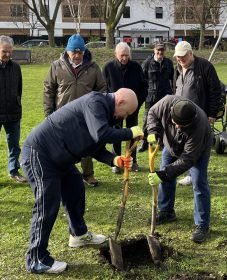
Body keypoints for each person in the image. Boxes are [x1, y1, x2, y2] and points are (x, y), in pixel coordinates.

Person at [21, 88, 143, 274]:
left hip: (61, 158)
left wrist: (113, 159)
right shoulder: (95, 103)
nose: (123, 117)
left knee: (75, 188)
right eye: (126, 113)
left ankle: (78, 234)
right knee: (47, 204)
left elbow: (95, 144)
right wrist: (129, 132)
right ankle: (36, 258)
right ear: (120, 102)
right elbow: (101, 134)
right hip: (40, 154)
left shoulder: (107, 113)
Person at [146, 95, 212, 243]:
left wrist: (163, 174)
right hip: (170, 145)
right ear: (171, 113)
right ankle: (166, 211)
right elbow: (152, 113)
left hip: (197, 151)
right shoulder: (166, 103)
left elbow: (188, 159)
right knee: (166, 172)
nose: (177, 127)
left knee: (199, 182)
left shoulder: (199, 125)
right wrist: (152, 131)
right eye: (176, 123)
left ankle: (202, 225)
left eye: (182, 126)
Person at [43, 33, 106, 187]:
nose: (77, 55)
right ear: (67, 51)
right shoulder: (56, 66)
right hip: (62, 114)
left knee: (86, 145)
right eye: (74, 52)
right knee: (62, 146)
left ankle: (88, 175)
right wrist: (49, 113)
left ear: (84, 52)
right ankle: (62, 173)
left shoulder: (93, 67)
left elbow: (102, 89)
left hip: (86, 115)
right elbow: (48, 90)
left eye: (80, 52)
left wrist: (97, 109)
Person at [173, 40, 221, 185]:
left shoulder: (205, 67)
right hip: (182, 116)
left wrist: (212, 113)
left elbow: (215, 91)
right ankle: (190, 172)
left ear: (191, 53)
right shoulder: (178, 68)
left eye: (183, 56)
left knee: (197, 146)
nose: (180, 59)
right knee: (184, 145)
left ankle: (195, 175)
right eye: (178, 57)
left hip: (200, 115)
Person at [103, 42, 147, 172]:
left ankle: (132, 160)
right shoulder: (108, 68)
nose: (124, 58)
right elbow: (103, 89)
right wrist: (109, 105)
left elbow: (144, 86)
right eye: (122, 55)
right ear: (116, 54)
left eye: (127, 56)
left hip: (132, 108)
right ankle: (117, 161)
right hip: (115, 108)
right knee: (116, 133)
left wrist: (137, 103)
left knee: (133, 133)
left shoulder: (136, 67)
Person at [138, 42, 174, 152]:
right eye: (158, 50)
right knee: (147, 120)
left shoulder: (168, 63)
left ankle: (161, 142)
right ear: (154, 50)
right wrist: (144, 93)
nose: (160, 52)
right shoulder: (147, 63)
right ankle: (144, 141)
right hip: (151, 97)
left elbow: (172, 78)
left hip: (164, 96)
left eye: (162, 50)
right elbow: (141, 79)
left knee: (164, 120)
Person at [0, 35, 27, 183]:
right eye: (4, 51)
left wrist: (16, 103)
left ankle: (14, 170)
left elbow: (19, 89)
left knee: (14, 146)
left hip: (13, 113)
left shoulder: (16, 67)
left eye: (10, 51)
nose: (8, 54)